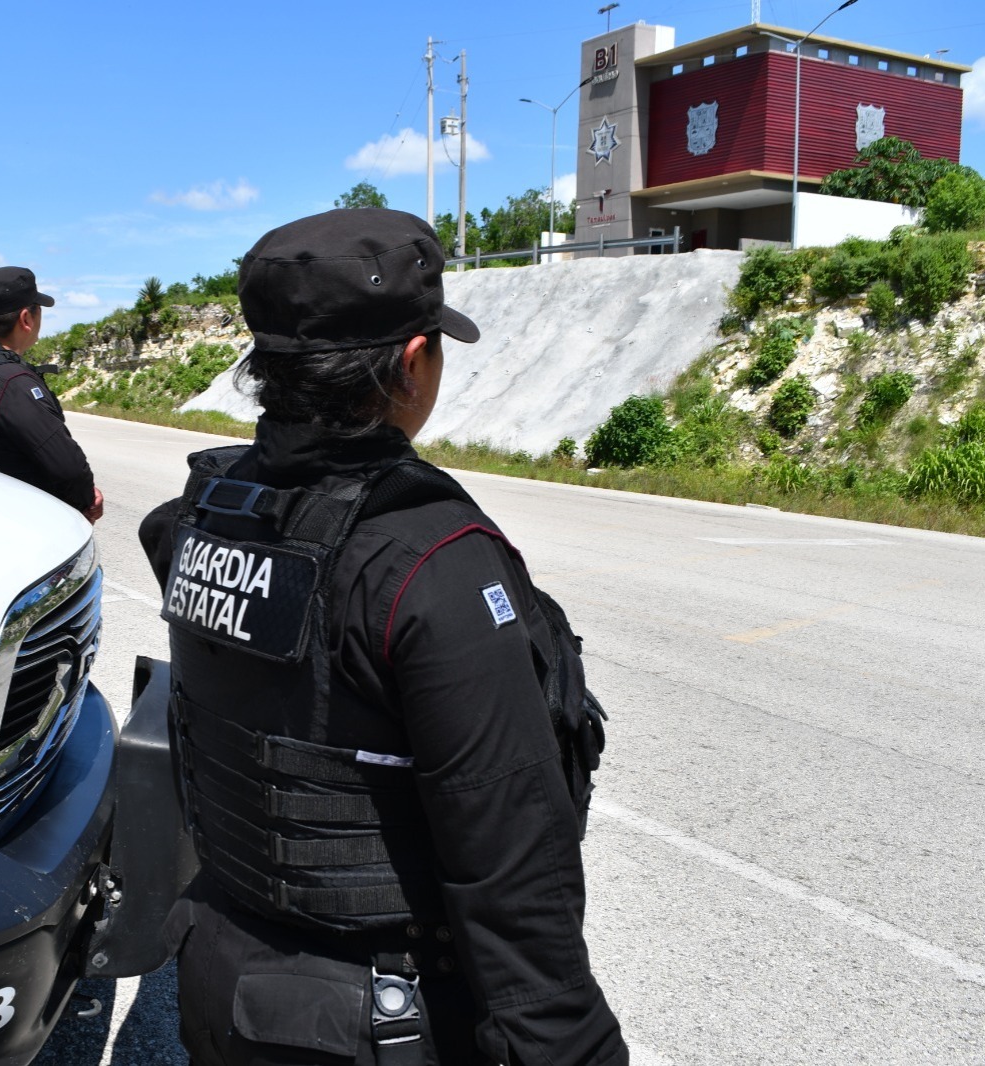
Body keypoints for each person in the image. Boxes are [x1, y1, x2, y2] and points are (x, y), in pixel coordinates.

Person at [138, 209, 627, 1066]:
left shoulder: (201, 515)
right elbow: (509, 860)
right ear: (411, 362)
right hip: (371, 1022)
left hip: (221, 975)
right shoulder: (431, 564)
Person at [0, 266, 103, 521]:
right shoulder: (11, 381)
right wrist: (86, 502)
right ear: (26, 319)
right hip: (20, 521)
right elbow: (68, 468)